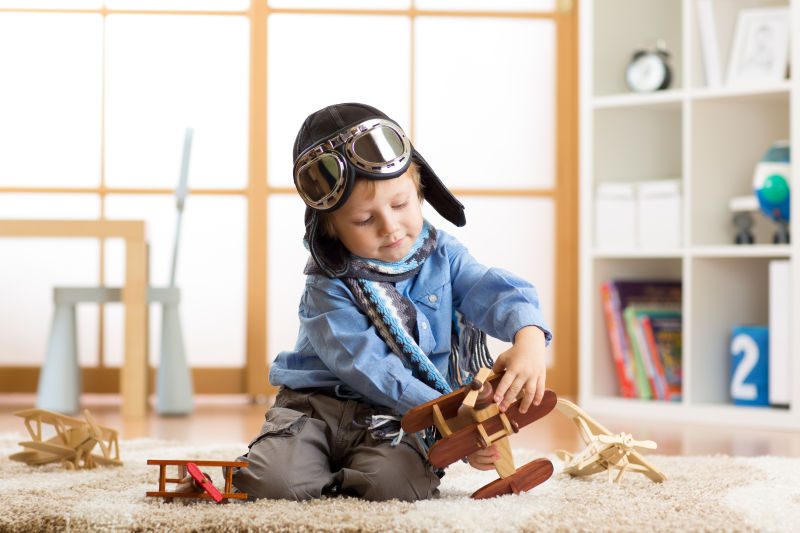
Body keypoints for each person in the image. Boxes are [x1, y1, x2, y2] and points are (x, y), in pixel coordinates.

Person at [231, 102, 552, 502]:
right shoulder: (326, 285)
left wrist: (529, 337)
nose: (390, 226)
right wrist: (453, 415)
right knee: (272, 484)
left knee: (398, 487)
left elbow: (489, 288)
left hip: (396, 420)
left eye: (400, 205)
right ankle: (309, 464)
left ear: (419, 190)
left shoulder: (443, 254)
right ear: (332, 233)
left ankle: (343, 474)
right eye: (365, 220)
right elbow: (369, 366)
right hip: (314, 407)